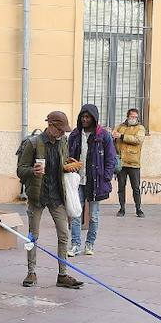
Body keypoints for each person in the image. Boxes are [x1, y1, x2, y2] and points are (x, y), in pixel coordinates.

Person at [16, 111, 85, 289]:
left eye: (64, 131)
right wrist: (32, 171)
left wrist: (68, 165)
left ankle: (63, 274)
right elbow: (20, 170)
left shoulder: (63, 142)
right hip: (37, 196)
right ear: (50, 126)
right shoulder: (32, 143)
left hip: (57, 195)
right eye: (60, 130)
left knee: (64, 234)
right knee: (32, 236)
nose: (62, 133)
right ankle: (31, 272)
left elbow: (62, 164)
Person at [67, 104, 117, 256]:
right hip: (77, 180)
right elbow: (68, 154)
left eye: (88, 117)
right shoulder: (75, 134)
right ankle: (75, 244)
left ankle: (90, 244)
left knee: (94, 216)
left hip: (96, 181)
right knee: (76, 213)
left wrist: (106, 177)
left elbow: (111, 158)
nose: (85, 119)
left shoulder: (103, 135)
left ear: (94, 118)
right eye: (83, 116)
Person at [115, 108, 146, 217]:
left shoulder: (140, 128)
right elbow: (114, 137)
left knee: (136, 188)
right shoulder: (120, 127)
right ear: (127, 116)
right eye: (132, 116)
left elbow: (138, 140)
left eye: (135, 117)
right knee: (121, 187)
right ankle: (122, 208)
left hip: (134, 163)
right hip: (121, 162)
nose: (133, 118)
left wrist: (122, 136)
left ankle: (138, 209)